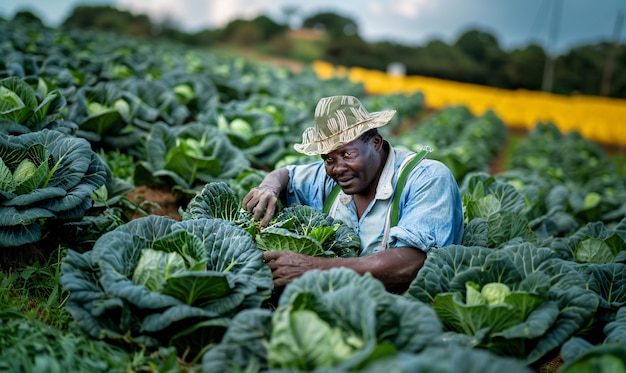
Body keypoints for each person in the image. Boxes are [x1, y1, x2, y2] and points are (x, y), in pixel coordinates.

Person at [243, 95, 463, 292]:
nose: (337, 168)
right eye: (328, 159)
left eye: (347, 154)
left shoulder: (428, 178)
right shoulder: (327, 178)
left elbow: (411, 263)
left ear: (376, 143)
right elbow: (286, 174)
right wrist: (268, 188)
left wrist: (314, 267)